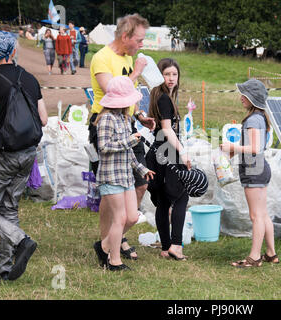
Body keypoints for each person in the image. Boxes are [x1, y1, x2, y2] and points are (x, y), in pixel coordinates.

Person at [89, 13, 155, 261]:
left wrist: (139, 115)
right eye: (138, 39)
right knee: (111, 190)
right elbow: (113, 93)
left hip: (128, 125)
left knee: (139, 183)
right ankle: (112, 239)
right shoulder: (101, 58)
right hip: (104, 125)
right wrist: (136, 72)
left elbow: (127, 98)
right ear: (125, 36)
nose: (141, 45)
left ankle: (109, 242)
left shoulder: (128, 57)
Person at [0, 31, 48, 281]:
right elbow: (43, 119)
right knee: (9, 208)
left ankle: (21, 240)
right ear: (13, 51)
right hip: (27, 154)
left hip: (1, 154)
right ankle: (3, 269)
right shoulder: (30, 78)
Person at [93, 76, 155, 271]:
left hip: (126, 176)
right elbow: (103, 147)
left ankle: (104, 246)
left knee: (132, 217)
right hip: (111, 177)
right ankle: (114, 260)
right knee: (119, 218)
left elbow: (129, 154)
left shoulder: (124, 119)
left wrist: (142, 169)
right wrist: (129, 140)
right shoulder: (106, 120)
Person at [220, 79, 278, 268]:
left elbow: (254, 148)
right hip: (259, 168)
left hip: (254, 170)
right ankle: (271, 253)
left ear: (252, 98)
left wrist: (232, 146)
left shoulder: (253, 119)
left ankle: (254, 258)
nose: (241, 98)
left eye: (243, 94)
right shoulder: (259, 117)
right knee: (263, 214)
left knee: (256, 216)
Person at [146, 58, 192, 261]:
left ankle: (166, 247)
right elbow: (166, 129)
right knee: (182, 196)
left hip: (158, 152)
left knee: (163, 201)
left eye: (174, 74)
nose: (171, 78)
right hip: (168, 152)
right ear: (159, 76)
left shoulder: (159, 96)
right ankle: (176, 245)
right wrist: (182, 151)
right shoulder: (164, 98)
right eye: (167, 74)